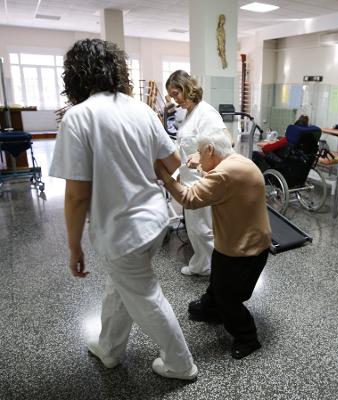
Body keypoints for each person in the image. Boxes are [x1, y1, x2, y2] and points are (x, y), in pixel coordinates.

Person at [49, 39, 197, 380]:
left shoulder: (79, 117)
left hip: (122, 231)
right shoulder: (140, 110)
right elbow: (173, 161)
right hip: (155, 221)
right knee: (121, 287)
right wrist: (141, 171)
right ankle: (109, 348)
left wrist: (74, 247)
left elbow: (75, 196)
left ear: (75, 76)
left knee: (144, 295)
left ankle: (180, 363)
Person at [155, 129, 272, 360]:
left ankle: (248, 337)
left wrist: (164, 176)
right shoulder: (237, 161)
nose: (197, 156)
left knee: (229, 298)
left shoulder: (222, 175)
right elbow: (211, 174)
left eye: (200, 151)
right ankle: (212, 308)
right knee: (218, 280)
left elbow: (189, 198)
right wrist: (196, 164)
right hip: (242, 243)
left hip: (242, 250)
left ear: (210, 150)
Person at [166, 70, 226, 276]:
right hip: (189, 182)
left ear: (187, 88)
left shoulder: (206, 113)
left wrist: (200, 159)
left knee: (202, 229)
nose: (175, 100)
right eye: (172, 96)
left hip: (202, 181)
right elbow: (183, 147)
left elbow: (224, 144)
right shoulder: (189, 113)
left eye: (176, 94)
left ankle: (209, 267)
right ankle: (204, 263)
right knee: (195, 229)